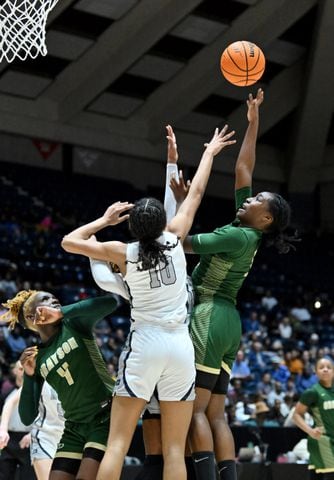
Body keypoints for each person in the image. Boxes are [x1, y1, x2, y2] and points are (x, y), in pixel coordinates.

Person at [61, 125, 236, 480]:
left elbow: (69, 241)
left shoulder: (122, 253)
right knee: (175, 452)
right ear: (162, 223)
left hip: (145, 345)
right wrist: (209, 153)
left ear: (134, 229)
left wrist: (104, 220)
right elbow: (197, 192)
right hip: (180, 348)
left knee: (117, 445)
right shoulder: (175, 238)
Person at [182, 89, 296, 480]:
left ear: (266, 219)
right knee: (216, 414)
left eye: (256, 202)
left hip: (210, 314)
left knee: (195, 411)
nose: (248, 201)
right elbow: (243, 170)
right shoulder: (247, 229)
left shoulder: (238, 236)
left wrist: (184, 207)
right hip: (230, 324)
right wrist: (253, 121)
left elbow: (179, 243)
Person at [0, 291, 118, 479]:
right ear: (32, 317)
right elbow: (27, 416)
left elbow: (111, 302)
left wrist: (62, 312)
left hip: (104, 415)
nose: (53, 300)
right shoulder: (37, 357)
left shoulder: (75, 324)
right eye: (45, 299)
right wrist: (30, 376)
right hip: (73, 428)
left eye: (54, 298)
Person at [0, 381, 64, 480]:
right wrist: (3, 430)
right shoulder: (41, 375)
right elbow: (11, 402)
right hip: (44, 437)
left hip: (71, 436)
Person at [293, 357, 334, 479]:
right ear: (315, 372)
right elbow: (296, 415)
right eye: (321, 368)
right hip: (323, 439)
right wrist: (310, 431)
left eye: (328, 367)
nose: (325, 370)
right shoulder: (312, 392)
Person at [0, 360, 35, 480]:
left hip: (29, 438)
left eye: (25, 368)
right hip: (8, 438)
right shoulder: (6, 392)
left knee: (28, 476)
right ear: (14, 370)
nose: (23, 372)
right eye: (20, 369)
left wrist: (33, 433)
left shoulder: (36, 390)